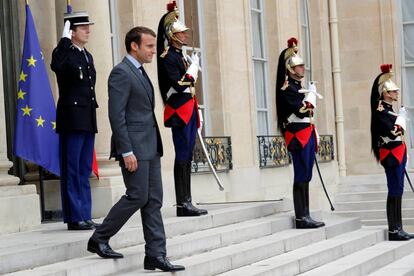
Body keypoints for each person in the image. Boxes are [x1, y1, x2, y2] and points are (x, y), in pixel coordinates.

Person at [87, 26, 185, 272]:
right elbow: (116, 116)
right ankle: (99, 237)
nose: (154, 51)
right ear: (134, 46)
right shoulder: (121, 73)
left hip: (150, 148)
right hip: (134, 149)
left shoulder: (140, 72)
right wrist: (126, 151)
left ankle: (156, 255)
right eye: (149, 46)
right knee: (137, 196)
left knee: (153, 201)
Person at [156, 1, 207, 217]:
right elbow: (178, 85)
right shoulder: (168, 58)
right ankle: (182, 203)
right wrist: (193, 69)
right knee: (183, 155)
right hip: (179, 111)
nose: (185, 36)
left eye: (185, 32)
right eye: (181, 33)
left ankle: (187, 200)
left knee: (188, 156)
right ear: (172, 35)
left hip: (188, 108)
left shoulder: (181, 57)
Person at [51, 11, 99, 231]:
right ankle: (74, 217)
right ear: (72, 32)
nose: (88, 30)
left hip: (87, 118)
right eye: (83, 28)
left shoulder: (86, 55)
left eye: (87, 27)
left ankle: (85, 214)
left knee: (83, 168)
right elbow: (56, 66)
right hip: (71, 118)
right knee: (71, 168)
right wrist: (62, 42)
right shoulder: (64, 53)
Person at [275, 37, 325, 229]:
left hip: (306, 133)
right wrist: (311, 95)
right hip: (298, 136)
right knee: (301, 175)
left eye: (302, 66)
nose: (302, 69)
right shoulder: (287, 89)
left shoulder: (298, 88)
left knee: (306, 175)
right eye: (299, 66)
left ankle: (306, 213)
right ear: (290, 69)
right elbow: (301, 110)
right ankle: (301, 216)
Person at [370, 64, 414, 241]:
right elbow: (390, 132)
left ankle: (398, 227)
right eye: (393, 91)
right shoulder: (381, 109)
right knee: (394, 190)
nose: (396, 93)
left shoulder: (389, 109)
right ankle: (394, 229)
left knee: (399, 190)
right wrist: (400, 121)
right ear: (386, 93)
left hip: (398, 153)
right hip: (391, 154)